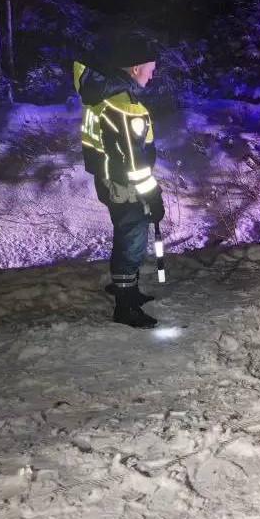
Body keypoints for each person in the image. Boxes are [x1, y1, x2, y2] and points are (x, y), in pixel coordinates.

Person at [74, 39, 165, 329]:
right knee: (132, 239)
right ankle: (125, 307)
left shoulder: (103, 96)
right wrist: (152, 196)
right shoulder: (124, 105)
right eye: (150, 70)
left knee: (126, 234)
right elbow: (134, 163)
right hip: (125, 185)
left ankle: (128, 289)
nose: (152, 75)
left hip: (107, 179)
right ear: (136, 67)